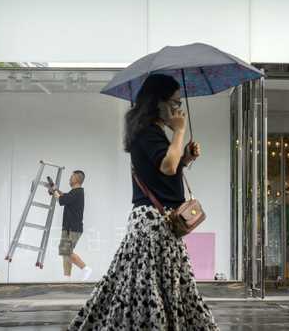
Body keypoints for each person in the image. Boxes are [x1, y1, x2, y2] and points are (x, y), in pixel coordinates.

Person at [67, 74, 219, 330]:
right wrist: (180, 131)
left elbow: (164, 170)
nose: (177, 109)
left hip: (160, 224)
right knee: (147, 287)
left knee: (151, 284)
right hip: (153, 223)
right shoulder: (148, 131)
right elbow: (168, 167)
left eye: (178, 103)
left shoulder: (152, 131)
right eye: (173, 102)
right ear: (156, 101)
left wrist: (186, 158)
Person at [52, 170, 92, 281]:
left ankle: (85, 268)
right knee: (65, 254)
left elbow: (62, 200)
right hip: (68, 227)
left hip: (73, 228)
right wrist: (56, 190)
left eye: (71, 177)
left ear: (77, 179)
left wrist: (54, 191)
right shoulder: (74, 193)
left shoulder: (78, 192)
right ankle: (67, 278)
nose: (69, 179)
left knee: (66, 251)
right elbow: (65, 196)